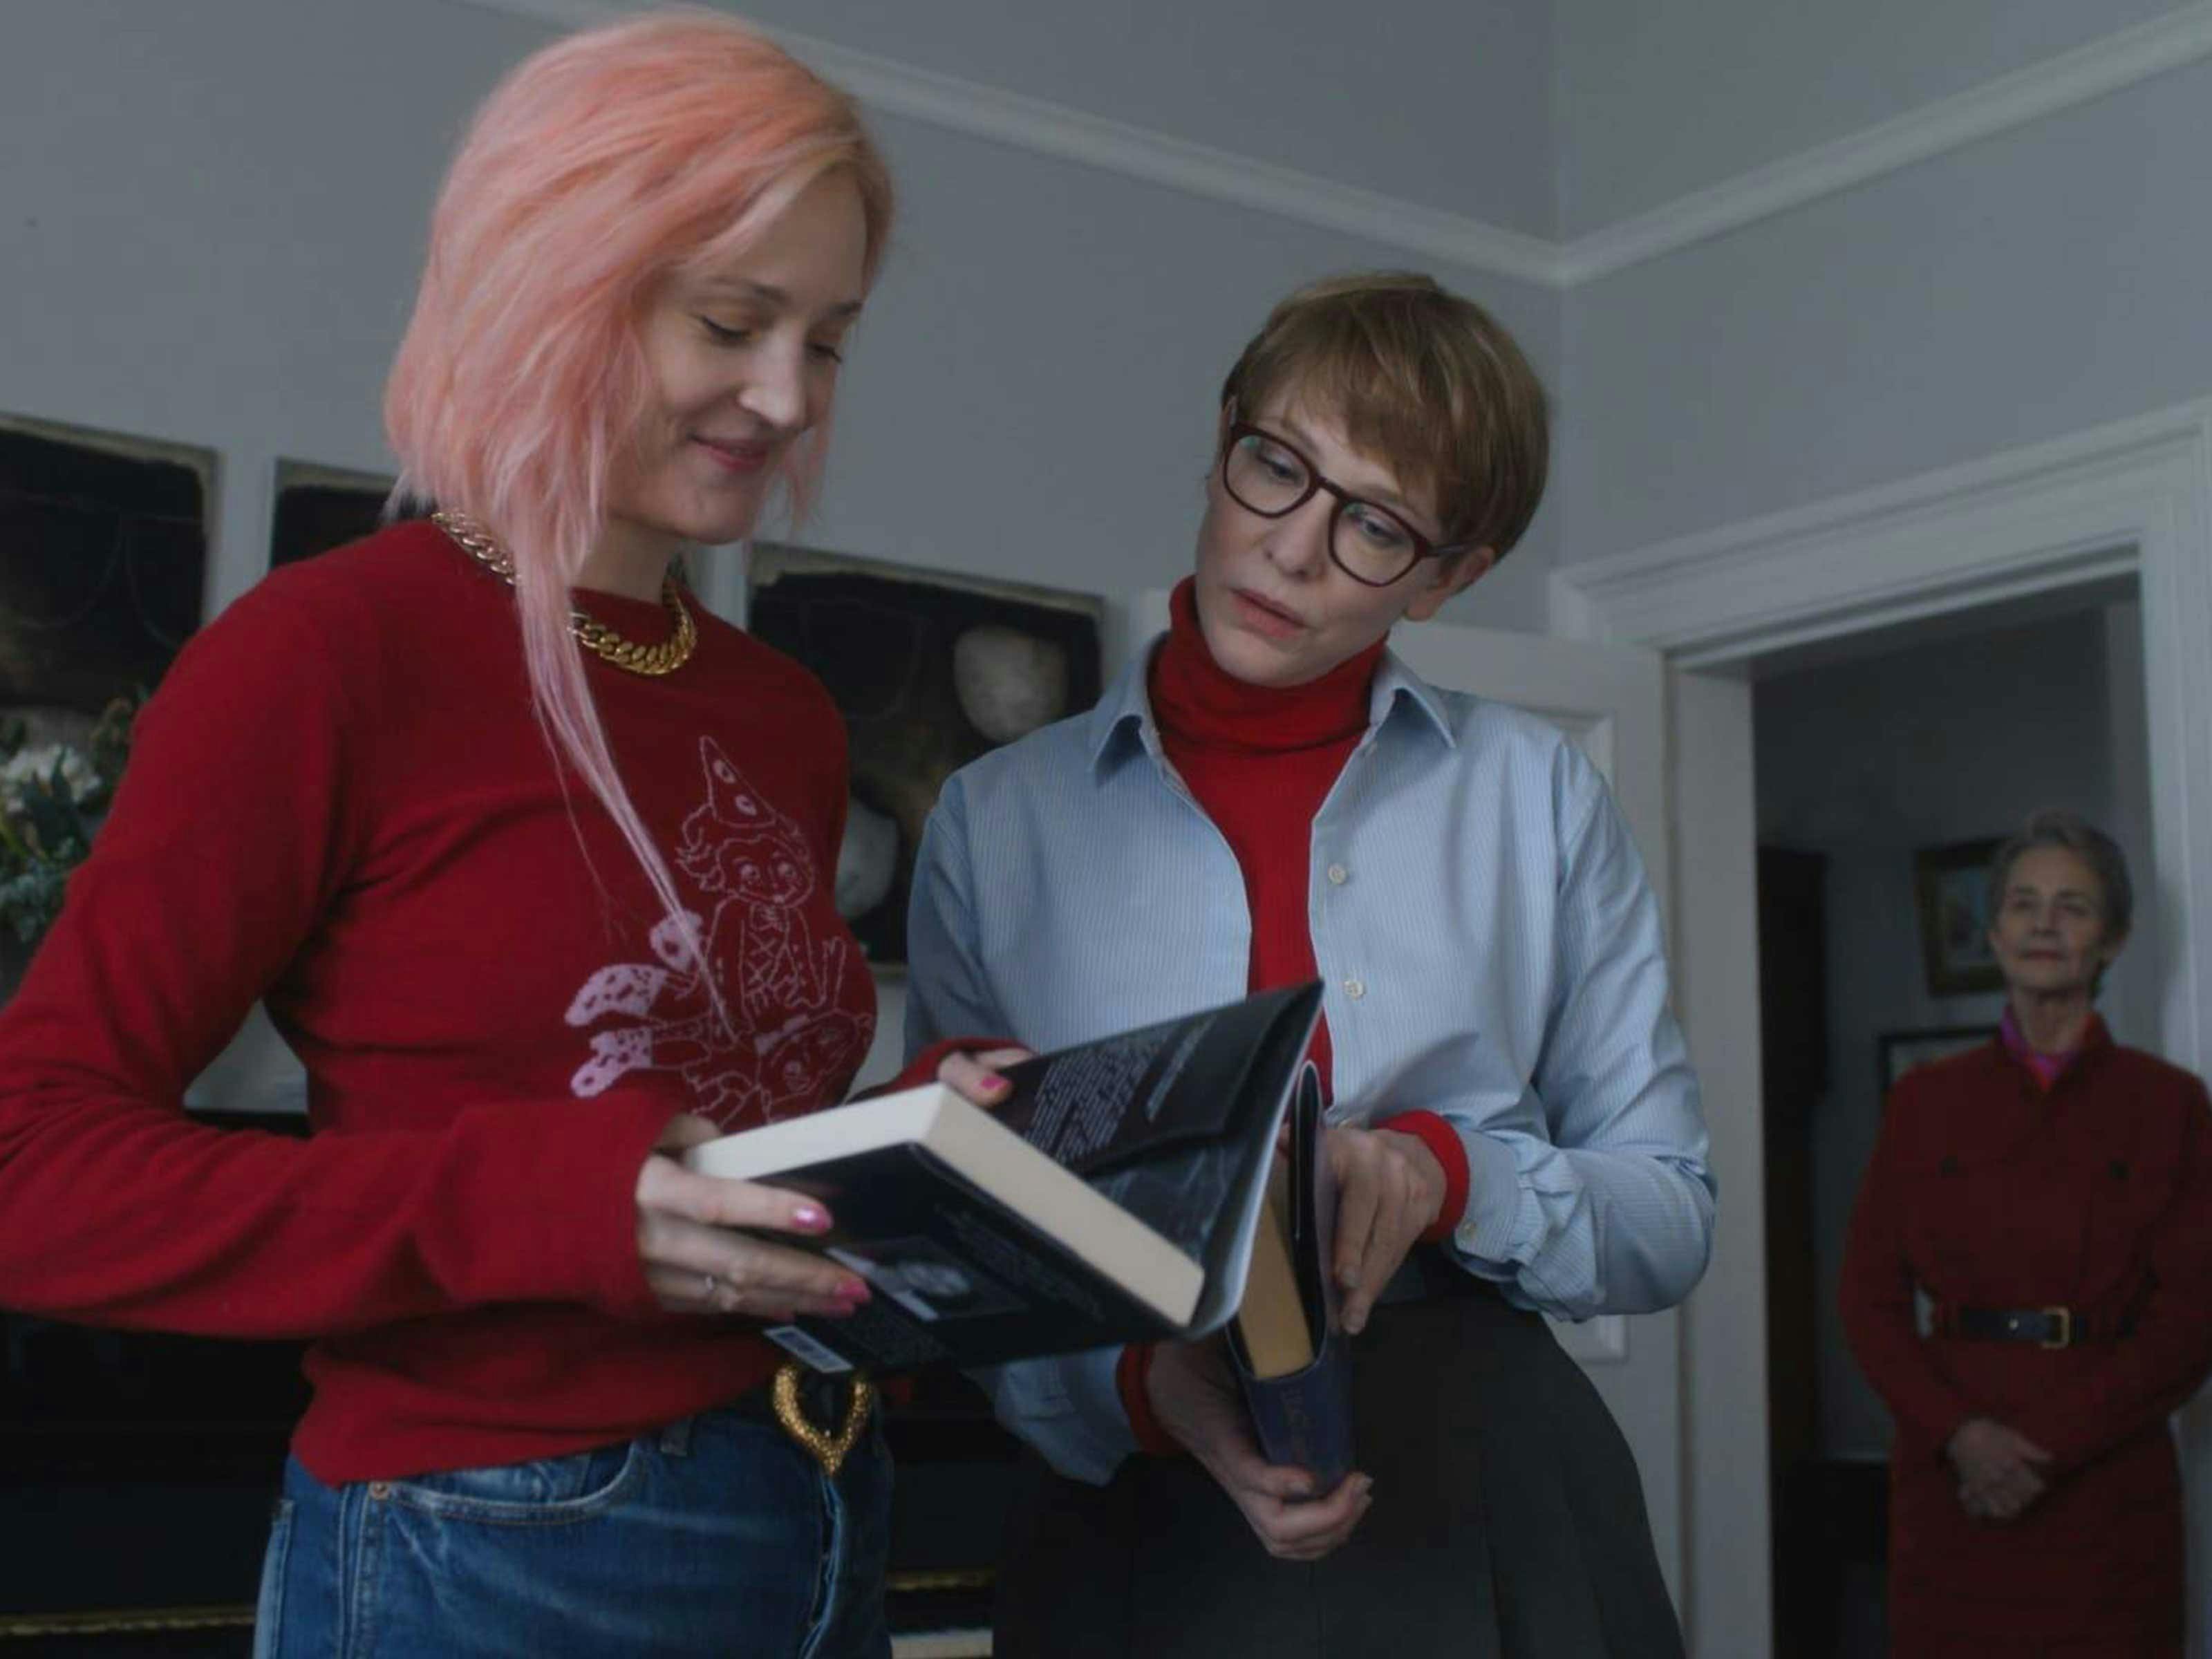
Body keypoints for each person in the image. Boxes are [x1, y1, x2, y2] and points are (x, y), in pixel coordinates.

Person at [0, 15, 1011, 1657]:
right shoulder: (327, 651)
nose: (785, 395)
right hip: (493, 1540)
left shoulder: (783, 712)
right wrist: (554, 1210)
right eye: (734, 322)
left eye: (825, 340)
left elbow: (699, 1121)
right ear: (558, 280)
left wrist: (920, 1131)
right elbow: (31, 1162)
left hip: (819, 1492)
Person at [905, 272, 1715, 1657]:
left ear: (1451, 576)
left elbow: (1666, 1216)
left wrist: (1448, 1173)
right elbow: (967, 1258)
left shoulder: (1538, 796)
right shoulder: (995, 822)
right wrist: (1146, 1396)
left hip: (1496, 1491)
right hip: (1140, 1519)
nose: (1292, 549)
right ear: (1224, 434)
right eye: (1276, 467)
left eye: (1376, 526)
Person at [1840, 809, 2212, 1656]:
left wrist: (2045, 1446)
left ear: (2110, 939)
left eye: (2072, 906)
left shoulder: (2168, 1105)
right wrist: (1962, 1438)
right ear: (1995, 931)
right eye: (2021, 902)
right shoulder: (1924, 1103)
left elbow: (2191, 1318)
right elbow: (1867, 1300)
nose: (2043, 923)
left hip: (2105, 1484)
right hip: (1949, 1481)